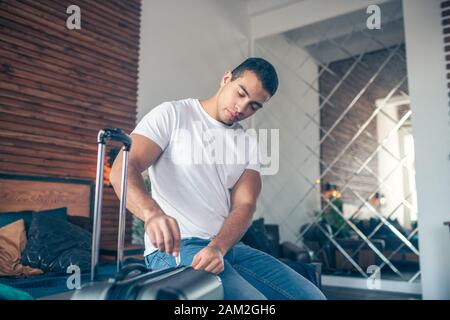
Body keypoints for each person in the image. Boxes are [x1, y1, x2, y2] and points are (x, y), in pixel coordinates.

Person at [110, 57, 326, 300]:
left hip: (228, 247)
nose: (242, 108)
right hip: (178, 247)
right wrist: (152, 214)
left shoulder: (248, 143)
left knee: (313, 297)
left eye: (254, 106)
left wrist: (218, 247)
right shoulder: (173, 114)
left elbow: (245, 205)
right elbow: (122, 169)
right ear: (226, 79)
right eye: (240, 93)